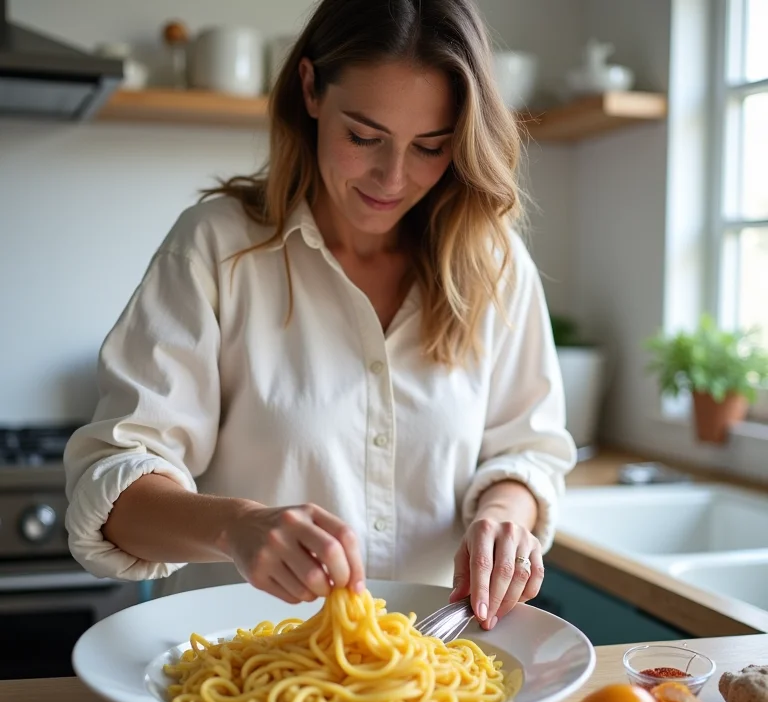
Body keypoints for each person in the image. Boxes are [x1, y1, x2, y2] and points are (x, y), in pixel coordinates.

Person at [64, 0, 576, 633]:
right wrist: (238, 526)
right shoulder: (217, 247)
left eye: (430, 146)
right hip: (242, 672)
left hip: (435, 671)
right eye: (364, 136)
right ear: (309, 88)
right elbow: (110, 488)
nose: (392, 177)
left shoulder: (496, 263)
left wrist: (504, 514)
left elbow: (528, 450)